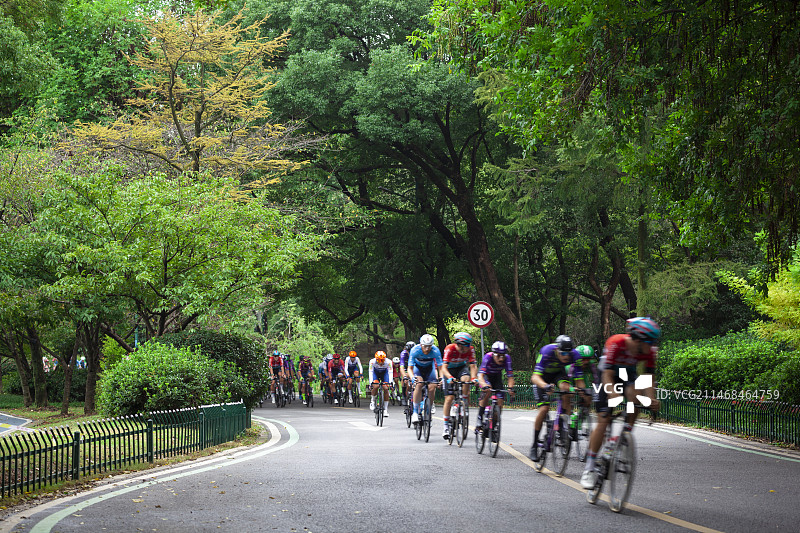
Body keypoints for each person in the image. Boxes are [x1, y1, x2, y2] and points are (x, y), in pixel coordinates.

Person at [580, 317, 661, 489]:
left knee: (637, 398)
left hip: (626, 374)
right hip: (607, 375)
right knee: (603, 419)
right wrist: (612, 392)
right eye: (651, 341)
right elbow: (607, 375)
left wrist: (651, 399)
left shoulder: (650, 351)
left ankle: (624, 436)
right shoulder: (616, 342)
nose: (653, 345)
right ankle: (589, 467)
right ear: (638, 339)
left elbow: (649, 377)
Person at [530, 335, 589, 452]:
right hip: (542, 378)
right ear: (557, 350)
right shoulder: (547, 351)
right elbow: (535, 377)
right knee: (544, 409)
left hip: (558, 375)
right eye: (562, 353)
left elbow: (579, 381)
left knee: (567, 391)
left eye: (568, 354)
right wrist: (545, 386)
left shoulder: (575, 355)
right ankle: (534, 445)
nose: (566, 357)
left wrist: (584, 392)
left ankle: (563, 425)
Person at [440, 332, 478, 439]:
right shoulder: (450, 348)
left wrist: (474, 378)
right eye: (466, 345)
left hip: (461, 368)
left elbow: (473, 366)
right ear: (460, 344)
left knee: (466, 379)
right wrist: (449, 377)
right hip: (449, 371)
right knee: (449, 398)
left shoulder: (470, 349)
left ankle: (464, 402)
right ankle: (446, 427)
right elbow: (444, 367)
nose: (468, 348)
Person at [476, 341, 515, 429]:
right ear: (493, 354)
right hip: (486, 376)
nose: (501, 359)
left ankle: (494, 425)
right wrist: (484, 385)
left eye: (503, 356)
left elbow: (510, 377)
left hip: (497, 377)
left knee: (500, 402)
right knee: (487, 390)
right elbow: (480, 376)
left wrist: (511, 388)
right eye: (498, 356)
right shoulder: (488, 357)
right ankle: (479, 417)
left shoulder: (507, 358)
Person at [408, 334, 443, 424]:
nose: (427, 349)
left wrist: (441, 378)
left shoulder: (435, 350)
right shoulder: (415, 350)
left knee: (432, 387)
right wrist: (412, 378)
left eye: (429, 346)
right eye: (425, 346)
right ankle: (415, 412)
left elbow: (440, 367)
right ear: (420, 345)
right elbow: (410, 368)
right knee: (419, 384)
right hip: (418, 369)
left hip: (429, 369)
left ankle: (428, 409)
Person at [368, 350, 394, 416]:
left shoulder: (389, 362)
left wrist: (390, 382)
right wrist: (371, 382)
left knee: (386, 388)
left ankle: (385, 409)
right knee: (376, 386)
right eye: (379, 360)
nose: (381, 362)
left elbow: (390, 372)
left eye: (382, 360)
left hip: (384, 373)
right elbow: (370, 372)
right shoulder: (372, 361)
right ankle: (373, 401)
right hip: (375, 373)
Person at [398, 341, 415, 406]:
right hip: (405, 366)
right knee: (404, 377)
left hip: (413, 366)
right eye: (409, 351)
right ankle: (403, 395)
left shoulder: (416, 353)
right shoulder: (403, 353)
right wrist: (404, 376)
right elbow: (401, 367)